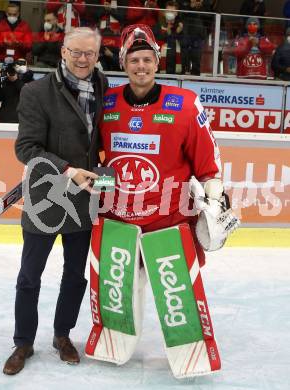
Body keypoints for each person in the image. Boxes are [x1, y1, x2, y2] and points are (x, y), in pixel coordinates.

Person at [2, 27, 108, 375]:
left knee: (76, 275)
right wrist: (68, 169)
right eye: (75, 52)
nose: (82, 59)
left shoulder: (104, 88)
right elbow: (26, 148)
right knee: (30, 276)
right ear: (63, 52)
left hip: (84, 200)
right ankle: (23, 342)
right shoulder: (36, 92)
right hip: (45, 200)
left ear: (97, 55)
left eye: (89, 53)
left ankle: (62, 335)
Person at [98, 24, 235, 267]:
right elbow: (96, 159)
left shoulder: (185, 104)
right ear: (123, 63)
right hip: (115, 223)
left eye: (148, 60)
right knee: (117, 304)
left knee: (177, 305)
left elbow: (208, 166)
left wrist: (215, 203)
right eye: (134, 60)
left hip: (170, 223)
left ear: (157, 62)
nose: (141, 66)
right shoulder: (106, 103)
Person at [0, 58, 34, 122]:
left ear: (27, 67)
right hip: (6, 119)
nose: (20, 66)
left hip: (23, 121)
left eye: (22, 64)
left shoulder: (31, 81)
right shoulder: (7, 80)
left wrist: (15, 81)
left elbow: (28, 96)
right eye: (18, 64)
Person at [152, 0, 183, 74]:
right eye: (168, 11)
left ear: (177, 13)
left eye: (172, 11)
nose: (170, 13)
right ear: (165, 12)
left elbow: (183, 44)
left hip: (175, 69)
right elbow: (155, 42)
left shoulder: (180, 27)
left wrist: (177, 32)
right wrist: (168, 31)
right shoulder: (158, 26)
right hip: (159, 69)